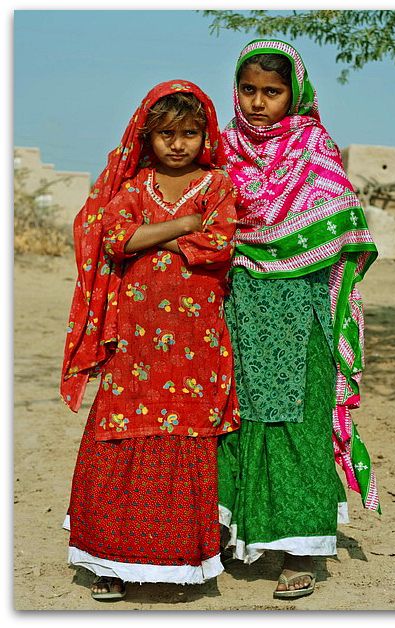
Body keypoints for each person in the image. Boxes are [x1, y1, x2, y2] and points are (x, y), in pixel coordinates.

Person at [60, 80, 240, 600]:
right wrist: (185, 222)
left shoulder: (219, 184)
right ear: (148, 136)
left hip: (196, 345)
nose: (177, 144)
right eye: (166, 134)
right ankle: (108, 562)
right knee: (120, 435)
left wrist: (154, 235)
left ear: (204, 134)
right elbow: (115, 237)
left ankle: (175, 566)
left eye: (188, 132)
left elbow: (218, 243)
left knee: (185, 441)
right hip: (134, 347)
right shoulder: (134, 187)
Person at [218, 39, 381, 600]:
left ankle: (299, 551)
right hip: (239, 311)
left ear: (295, 94)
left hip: (301, 319)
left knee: (298, 424)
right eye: (249, 90)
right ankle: (237, 534)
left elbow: (346, 235)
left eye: (272, 91)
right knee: (238, 421)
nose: (259, 103)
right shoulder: (220, 150)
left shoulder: (314, 149)